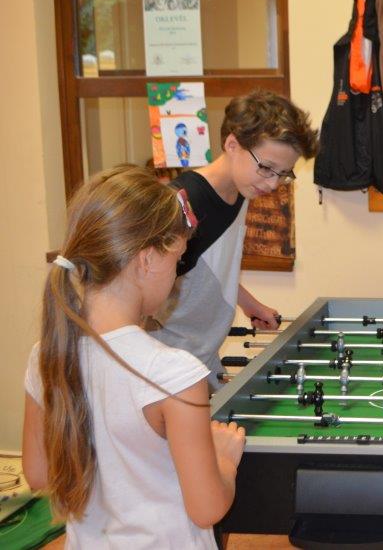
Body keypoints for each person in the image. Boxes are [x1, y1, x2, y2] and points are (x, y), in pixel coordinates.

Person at [21, 164, 246, 548]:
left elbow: (39, 475)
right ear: (147, 260)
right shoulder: (174, 372)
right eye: (177, 261)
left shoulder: (47, 355)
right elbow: (207, 508)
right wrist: (224, 460)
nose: (176, 277)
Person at [150, 89, 318, 388]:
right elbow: (136, 294)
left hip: (201, 356)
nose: (273, 183)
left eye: (284, 173)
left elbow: (207, 265)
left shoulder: (242, 190)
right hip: (168, 366)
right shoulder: (182, 204)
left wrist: (248, 303)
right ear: (232, 144)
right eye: (266, 168)